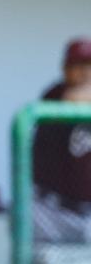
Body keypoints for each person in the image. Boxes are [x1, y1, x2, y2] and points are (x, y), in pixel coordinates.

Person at [32, 38, 91, 244]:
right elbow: (75, 98)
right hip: (52, 212)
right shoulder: (54, 95)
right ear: (65, 69)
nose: (85, 72)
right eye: (78, 65)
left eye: (90, 66)